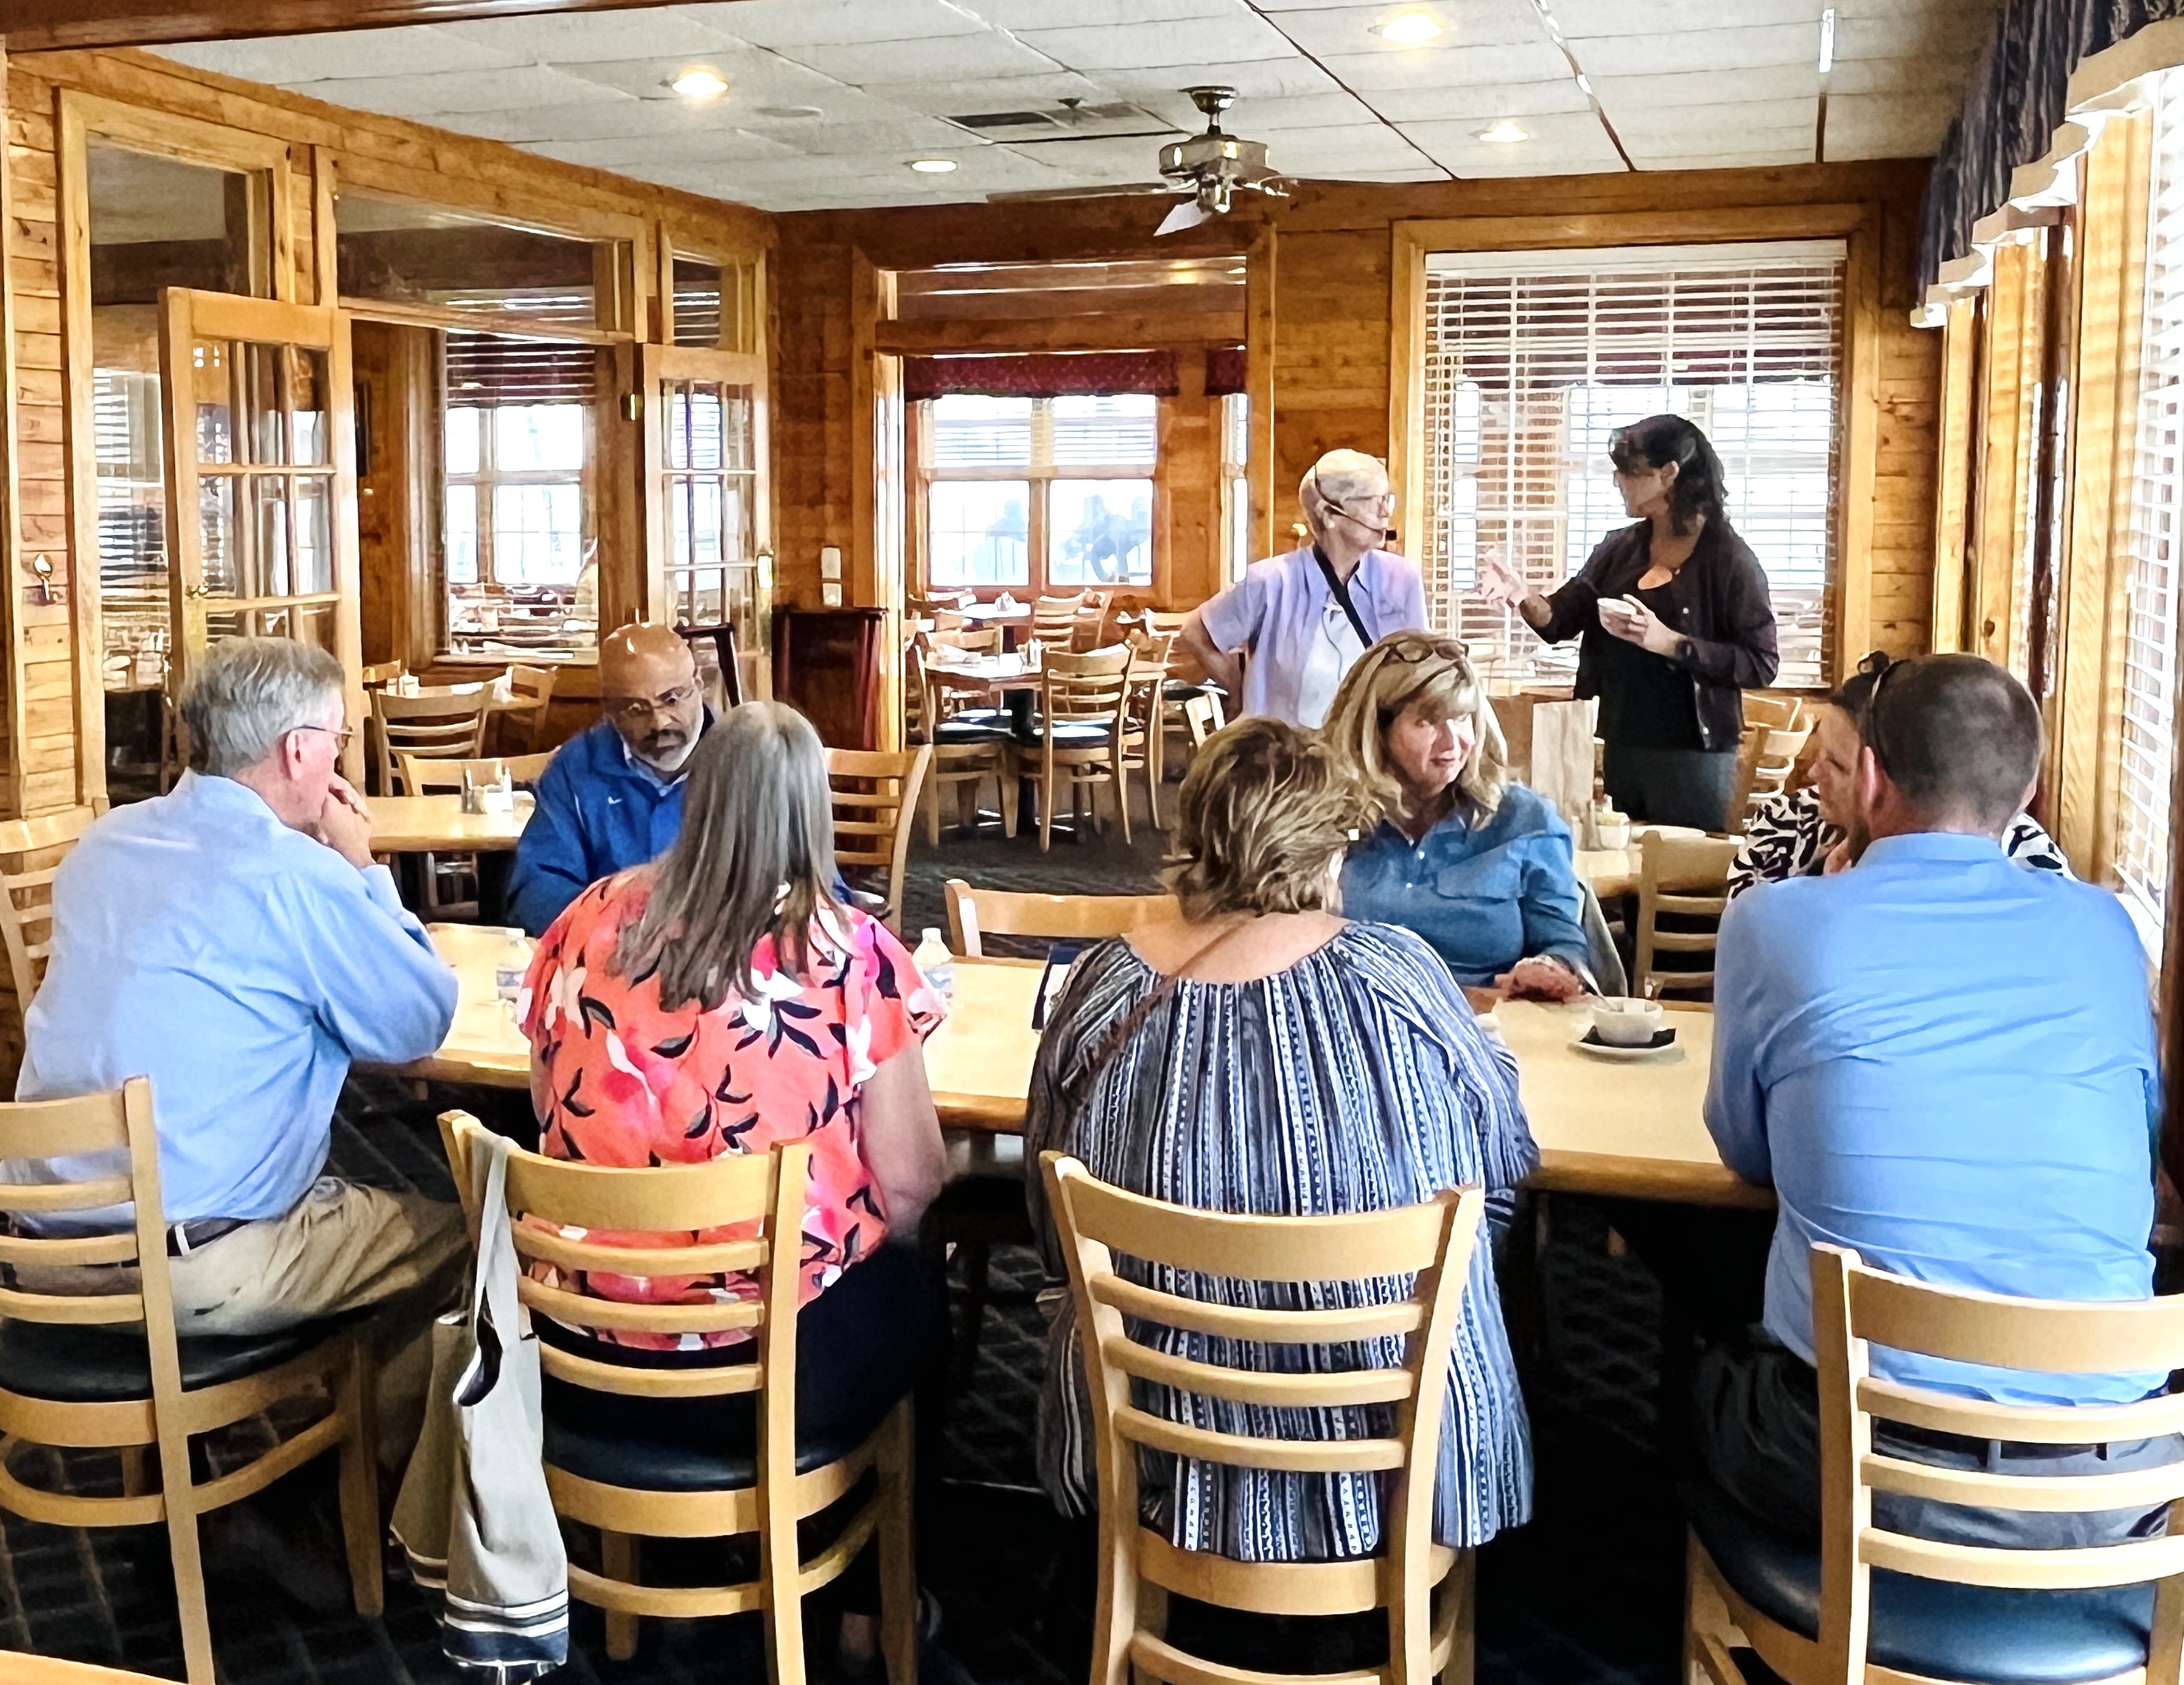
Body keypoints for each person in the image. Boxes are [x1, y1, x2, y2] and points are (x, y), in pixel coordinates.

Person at [1023, 717, 1539, 1562]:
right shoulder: (1399, 972)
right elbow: (1505, 1152)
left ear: (1193, 831)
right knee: (1487, 1230)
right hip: (1394, 1461)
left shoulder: (1102, 986)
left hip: (1159, 1448)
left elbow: (1050, 1218)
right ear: (1333, 844)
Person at [1691, 654, 2166, 1551]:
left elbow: (1746, 1153)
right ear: (2026, 792)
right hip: (2109, 1488)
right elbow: (2142, 1145)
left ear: (1870, 776)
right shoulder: (2107, 928)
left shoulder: (1777, 921)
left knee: (1698, 1366)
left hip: (1855, 1469)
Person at [12, 636, 466, 1466]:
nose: (340, 758)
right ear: (298, 751)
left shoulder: (104, 844)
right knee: (473, 1244)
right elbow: (417, 1021)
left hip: (38, 1251)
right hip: (187, 1267)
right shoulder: (294, 875)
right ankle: (350, 1481)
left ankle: (282, 1434)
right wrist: (363, 865)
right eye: (338, 739)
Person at [519, 700, 950, 1459]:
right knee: (919, 1285)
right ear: (813, 813)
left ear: (699, 795)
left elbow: (544, 1107)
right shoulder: (853, 956)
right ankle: (887, 1519)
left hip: (573, 1353)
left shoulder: (580, 924)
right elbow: (913, 1182)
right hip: (760, 1378)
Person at [1478, 414, 1778, 831]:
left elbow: (1762, 663)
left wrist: (1669, 641)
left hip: (1694, 756)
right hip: (1620, 745)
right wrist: (1521, 595)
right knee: (1619, 864)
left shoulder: (1729, 559)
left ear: (1668, 474)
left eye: (1629, 472)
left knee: (1680, 868)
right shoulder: (1619, 547)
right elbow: (1558, 621)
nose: (1618, 481)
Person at [1321, 630, 1593, 997]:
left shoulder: (1524, 819)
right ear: (1376, 730)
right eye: (1428, 721)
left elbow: (1565, 945)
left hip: (1485, 1020)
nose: (1453, 743)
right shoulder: (1329, 818)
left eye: (1462, 718)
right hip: (1354, 1014)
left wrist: (1548, 967)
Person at [1730, 650, 2070, 898]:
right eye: (1819, 753)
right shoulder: (1785, 822)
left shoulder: (2025, 852)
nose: (1814, 773)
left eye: (1837, 765)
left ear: (1879, 779)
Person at [1174, 447, 1426, 727]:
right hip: (1288, 750)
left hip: (1372, 747)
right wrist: (1242, 689)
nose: (1385, 512)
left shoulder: (1402, 579)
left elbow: (1421, 670)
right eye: (1371, 500)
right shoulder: (1269, 582)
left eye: (1387, 499)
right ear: (1328, 513)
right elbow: (1195, 633)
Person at [505, 621, 707, 934]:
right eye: (636, 709)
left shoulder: (744, 761)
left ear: (699, 684)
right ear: (609, 711)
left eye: (672, 699)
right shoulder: (575, 769)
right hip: (609, 949)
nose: (659, 722)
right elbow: (537, 890)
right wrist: (619, 925)